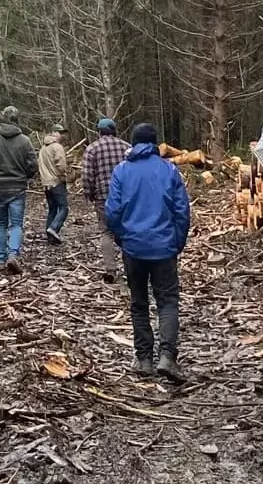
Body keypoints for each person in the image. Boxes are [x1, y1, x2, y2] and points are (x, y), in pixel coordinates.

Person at [104, 123, 191, 382]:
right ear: (154, 143)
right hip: (164, 247)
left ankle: (143, 359)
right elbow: (182, 211)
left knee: (139, 302)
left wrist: (122, 237)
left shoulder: (122, 171)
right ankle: (167, 356)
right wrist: (177, 242)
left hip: (133, 247)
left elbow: (112, 212)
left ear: (133, 143)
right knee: (167, 301)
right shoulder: (169, 170)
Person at [0, 106, 37, 272]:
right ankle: (13, 254)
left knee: (1, 224)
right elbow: (33, 165)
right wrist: (25, 176)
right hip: (18, 186)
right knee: (16, 224)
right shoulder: (25, 141)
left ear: (2, 118)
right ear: (17, 119)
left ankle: (0, 258)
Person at [80, 118, 126, 283]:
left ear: (99, 132)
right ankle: (131, 267)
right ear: (114, 130)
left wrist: (89, 194)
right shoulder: (126, 147)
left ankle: (110, 269)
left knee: (106, 232)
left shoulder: (92, 149)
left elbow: (87, 175)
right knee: (127, 231)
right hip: (125, 197)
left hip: (103, 197)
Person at [38, 125, 74, 243]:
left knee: (52, 209)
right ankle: (53, 228)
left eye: (63, 132)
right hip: (56, 181)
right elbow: (61, 166)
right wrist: (64, 175)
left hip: (46, 183)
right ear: (53, 132)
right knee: (64, 208)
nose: (62, 135)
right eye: (59, 132)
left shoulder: (43, 148)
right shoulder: (57, 147)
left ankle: (50, 237)